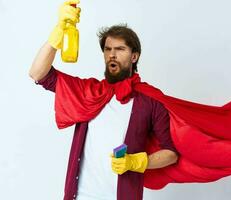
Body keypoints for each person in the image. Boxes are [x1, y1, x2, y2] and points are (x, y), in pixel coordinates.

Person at [29, 0, 178, 200]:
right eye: (107, 49)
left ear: (134, 56)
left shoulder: (150, 100)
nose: (112, 55)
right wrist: (58, 33)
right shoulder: (89, 92)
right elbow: (38, 73)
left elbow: (171, 153)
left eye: (120, 49)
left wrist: (136, 162)